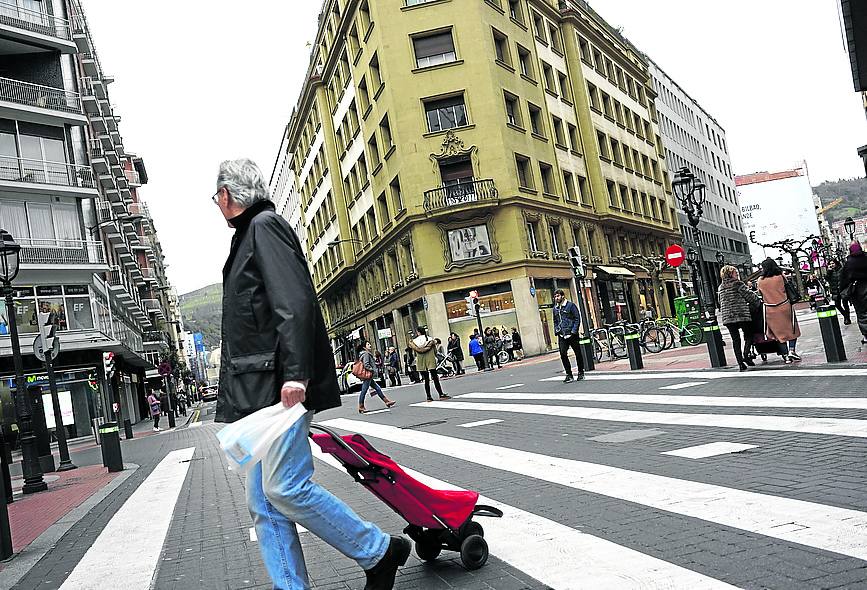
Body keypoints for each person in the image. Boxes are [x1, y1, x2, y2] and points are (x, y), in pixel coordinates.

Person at [212, 159, 409, 589]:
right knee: (263, 502)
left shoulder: (264, 227)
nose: (216, 204)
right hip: (263, 390)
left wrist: (296, 375)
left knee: (284, 488)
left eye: (217, 196)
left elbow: (294, 302)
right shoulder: (249, 235)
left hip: (280, 387)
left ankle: (378, 551)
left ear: (228, 195)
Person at [757, 257, 801, 363]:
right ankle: (792, 350)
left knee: (778, 334)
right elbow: (788, 288)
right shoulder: (781, 276)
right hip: (785, 306)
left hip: (770, 309)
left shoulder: (760, 281)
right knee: (792, 329)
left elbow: (760, 294)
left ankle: (785, 356)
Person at [718, 265, 760, 372]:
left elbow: (720, 302)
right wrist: (757, 302)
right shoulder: (738, 284)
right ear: (730, 274)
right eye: (735, 272)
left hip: (728, 317)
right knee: (749, 334)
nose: (737, 274)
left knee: (735, 340)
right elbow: (749, 296)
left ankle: (740, 363)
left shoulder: (721, 287)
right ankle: (746, 354)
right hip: (740, 314)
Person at [409, 326, 451, 402]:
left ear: (418, 332)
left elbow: (414, 353)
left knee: (426, 380)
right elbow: (435, 351)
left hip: (421, 361)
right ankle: (441, 394)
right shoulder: (430, 339)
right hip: (430, 359)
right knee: (435, 378)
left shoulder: (414, 341)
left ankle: (429, 397)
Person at [553, 289, 584, 382]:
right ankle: (569, 374)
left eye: (558, 296)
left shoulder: (570, 306)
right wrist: (557, 330)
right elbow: (555, 321)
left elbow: (577, 318)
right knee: (563, 354)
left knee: (578, 353)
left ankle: (581, 372)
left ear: (563, 296)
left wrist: (574, 331)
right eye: (555, 296)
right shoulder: (555, 308)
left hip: (572, 334)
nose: (556, 298)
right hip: (562, 335)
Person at [358, 342, 395, 414]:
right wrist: (372, 370)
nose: (370, 345)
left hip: (369, 375)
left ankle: (387, 401)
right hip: (368, 375)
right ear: (364, 347)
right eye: (368, 344)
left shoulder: (365, 353)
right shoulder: (366, 354)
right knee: (364, 390)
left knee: (377, 388)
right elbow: (366, 364)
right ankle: (361, 406)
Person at [841, 241, 867, 343]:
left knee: (861, 313)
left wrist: (843, 291)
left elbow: (844, 279)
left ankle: (866, 335)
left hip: (857, 291)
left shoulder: (849, 263)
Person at [827, 259, 852, 325]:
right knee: (837, 305)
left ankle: (847, 318)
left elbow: (847, 278)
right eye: (830, 264)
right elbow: (827, 279)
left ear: (836, 263)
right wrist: (828, 271)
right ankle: (845, 315)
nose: (832, 265)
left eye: (833, 263)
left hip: (843, 290)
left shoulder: (841, 270)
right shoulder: (830, 272)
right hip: (835, 291)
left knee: (845, 304)